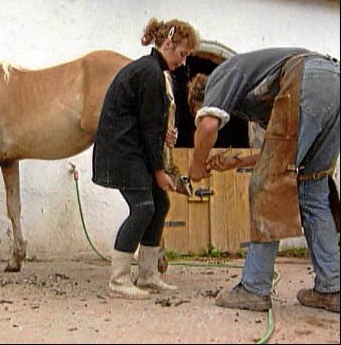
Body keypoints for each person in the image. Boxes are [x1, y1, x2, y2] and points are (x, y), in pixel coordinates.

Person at [187, 49, 340, 313]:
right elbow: (280, 152)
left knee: (266, 186)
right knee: (312, 190)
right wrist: (238, 162)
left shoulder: (220, 77)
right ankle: (332, 288)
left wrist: (197, 165)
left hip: (308, 78)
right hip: (333, 83)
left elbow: (209, 126)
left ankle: (254, 287)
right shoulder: (255, 95)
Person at [92, 17, 200, 299]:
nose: (183, 61)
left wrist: (168, 136)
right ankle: (118, 279)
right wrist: (159, 170)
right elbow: (149, 126)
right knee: (142, 208)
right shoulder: (151, 73)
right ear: (167, 44)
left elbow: (152, 122)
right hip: (122, 152)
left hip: (133, 149)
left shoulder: (153, 71)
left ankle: (149, 275)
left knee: (159, 203)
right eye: (182, 53)